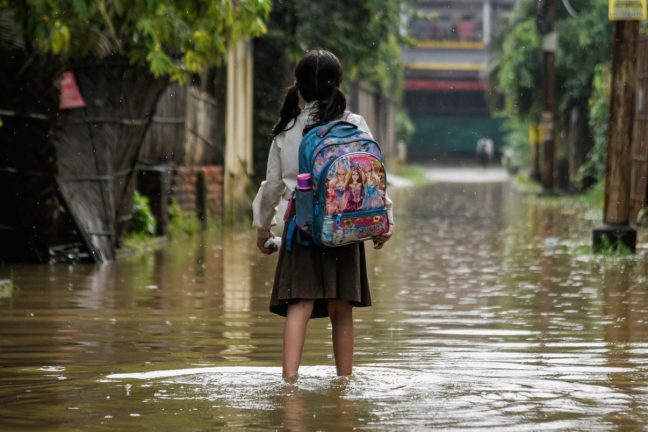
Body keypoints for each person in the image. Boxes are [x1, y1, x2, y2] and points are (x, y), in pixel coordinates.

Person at [252, 49, 394, 382]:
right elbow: (372, 177)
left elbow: (272, 186)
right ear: (338, 84)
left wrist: (262, 230)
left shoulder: (287, 130)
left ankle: (289, 384)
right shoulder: (354, 124)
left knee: (298, 305)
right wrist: (385, 221)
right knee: (341, 308)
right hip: (345, 225)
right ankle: (344, 385)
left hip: (301, 227)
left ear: (298, 87)